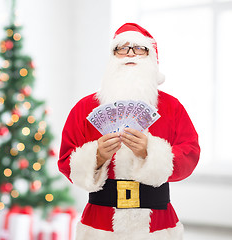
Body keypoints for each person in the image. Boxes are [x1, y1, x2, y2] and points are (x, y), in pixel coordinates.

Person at [58, 23, 200, 240]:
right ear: (112, 57)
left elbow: (190, 154)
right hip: (99, 224)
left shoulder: (172, 108)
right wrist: (96, 156)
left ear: (151, 58)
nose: (130, 54)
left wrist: (150, 153)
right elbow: (66, 159)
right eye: (122, 48)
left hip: (157, 224)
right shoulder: (84, 108)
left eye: (139, 48)